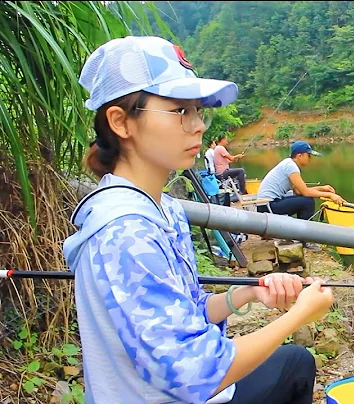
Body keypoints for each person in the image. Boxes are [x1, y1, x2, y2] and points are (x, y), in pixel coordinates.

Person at [62, 36, 334, 404]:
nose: (198, 126)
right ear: (121, 122)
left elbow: (191, 308)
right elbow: (197, 373)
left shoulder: (164, 210)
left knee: (295, 363)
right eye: (179, 111)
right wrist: (298, 316)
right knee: (292, 361)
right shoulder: (125, 230)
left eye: (198, 110)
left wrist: (249, 293)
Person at [257, 141, 346, 221]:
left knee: (305, 199)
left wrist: (322, 188)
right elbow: (306, 192)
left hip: (266, 205)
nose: (310, 158)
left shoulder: (289, 163)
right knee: (308, 202)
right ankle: (304, 234)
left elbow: (299, 191)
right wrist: (331, 195)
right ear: (300, 156)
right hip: (267, 206)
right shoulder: (291, 167)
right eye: (308, 155)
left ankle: (302, 232)